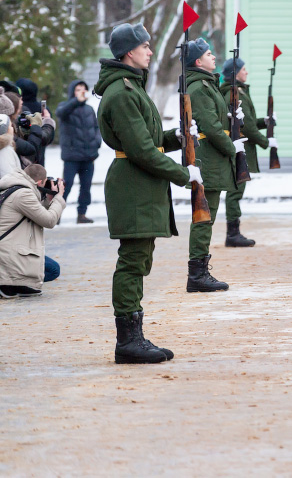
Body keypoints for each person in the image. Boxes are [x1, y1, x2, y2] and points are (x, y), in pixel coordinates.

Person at [96, 22, 201, 364]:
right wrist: (183, 175)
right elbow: (140, 150)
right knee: (132, 262)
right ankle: (128, 341)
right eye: (146, 46)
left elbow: (148, 138)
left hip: (139, 183)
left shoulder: (131, 88)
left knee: (139, 260)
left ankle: (135, 336)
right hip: (134, 184)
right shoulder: (124, 92)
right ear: (130, 51)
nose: (151, 51)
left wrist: (180, 135)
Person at [184, 38, 238, 291]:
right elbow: (210, 126)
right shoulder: (199, 88)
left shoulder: (206, 85)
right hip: (209, 158)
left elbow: (215, 120)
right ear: (197, 61)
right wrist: (231, 149)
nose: (213, 57)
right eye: (208, 53)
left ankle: (199, 272)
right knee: (204, 217)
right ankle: (197, 275)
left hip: (212, 158)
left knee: (207, 216)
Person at [219, 56, 276, 247]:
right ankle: (232, 234)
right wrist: (266, 142)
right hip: (239, 148)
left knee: (236, 190)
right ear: (235, 73)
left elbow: (248, 122)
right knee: (235, 191)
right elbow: (248, 128)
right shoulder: (235, 94)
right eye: (243, 69)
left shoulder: (237, 92)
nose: (247, 72)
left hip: (239, 147)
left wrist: (265, 122)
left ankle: (233, 233)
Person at [0, 163, 65, 297]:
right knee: (52, 270)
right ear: (40, 182)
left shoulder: (13, 186)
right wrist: (59, 198)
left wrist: (49, 200)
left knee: (50, 268)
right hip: (7, 250)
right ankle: (7, 283)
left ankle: (17, 284)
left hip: (8, 247)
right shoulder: (23, 194)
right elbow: (49, 221)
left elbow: (34, 214)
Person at [56, 80, 102, 224]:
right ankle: (56, 215)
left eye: (84, 89)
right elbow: (60, 113)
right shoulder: (65, 106)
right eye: (78, 89)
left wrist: (96, 144)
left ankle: (82, 214)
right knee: (66, 186)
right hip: (72, 156)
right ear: (72, 92)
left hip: (88, 156)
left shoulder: (89, 109)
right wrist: (76, 101)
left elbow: (96, 128)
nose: (82, 91)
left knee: (86, 187)